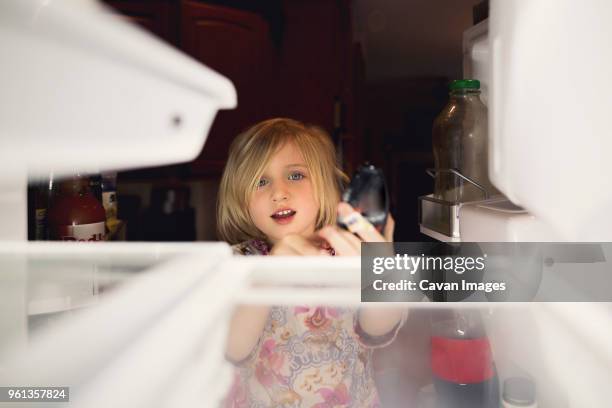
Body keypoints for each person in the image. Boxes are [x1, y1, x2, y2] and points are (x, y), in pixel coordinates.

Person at [217, 118, 405, 407]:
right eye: (260, 181)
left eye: (295, 176)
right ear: (242, 201)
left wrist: (379, 276)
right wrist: (268, 276)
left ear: (324, 187)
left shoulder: (349, 254)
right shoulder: (238, 262)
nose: (278, 193)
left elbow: (379, 327)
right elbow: (233, 348)